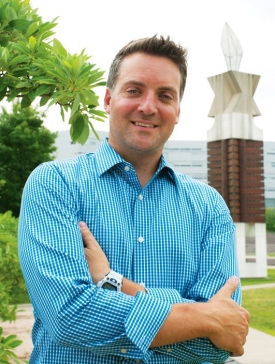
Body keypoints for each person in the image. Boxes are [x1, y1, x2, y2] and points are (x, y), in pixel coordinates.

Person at [18, 35, 250, 364]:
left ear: (178, 111)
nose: (148, 106)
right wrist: (201, 319)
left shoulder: (209, 207)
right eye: (134, 90)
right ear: (109, 99)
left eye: (165, 95)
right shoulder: (56, 185)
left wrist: (116, 284)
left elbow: (221, 341)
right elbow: (68, 316)